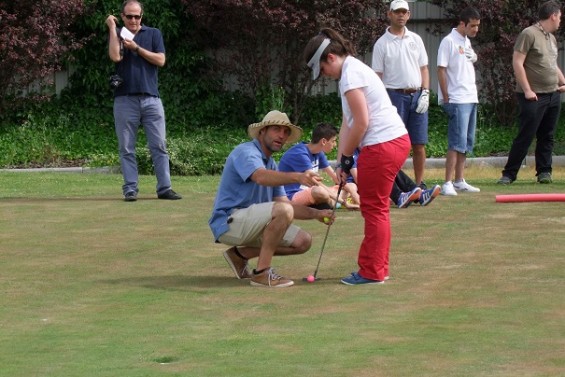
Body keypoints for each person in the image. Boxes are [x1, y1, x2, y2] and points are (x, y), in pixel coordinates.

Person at [303, 28, 411, 285]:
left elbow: (362, 122)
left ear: (330, 57)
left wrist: (349, 157)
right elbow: (347, 124)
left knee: (374, 209)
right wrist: (342, 163)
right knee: (378, 208)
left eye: (323, 69)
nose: (325, 76)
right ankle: (378, 269)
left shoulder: (351, 76)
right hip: (390, 142)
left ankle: (372, 272)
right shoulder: (351, 72)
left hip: (383, 144)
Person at [208, 110, 335, 288]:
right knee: (283, 211)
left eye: (285, 132)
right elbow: (260, 177)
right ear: (262, 131)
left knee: (303, 241)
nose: (281, 136)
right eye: (276, 129)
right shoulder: (246, 152)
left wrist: (317, 213)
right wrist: (298, 177)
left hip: (252, 223)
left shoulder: (272, 165)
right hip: (228, 223)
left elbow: (286, 204)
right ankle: (262, 273)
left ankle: (239, 255)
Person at [106, 0, 181, 202]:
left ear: (142, 16)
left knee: (159, 145)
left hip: (151, 99)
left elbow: (161, 60)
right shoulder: (120, 34)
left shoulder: (153, 33)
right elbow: (115, 56)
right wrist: (113, 28)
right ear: (122, 16)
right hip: (124, 99)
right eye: (128, 16)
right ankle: (130, 189)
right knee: (126, 147)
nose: (133, 20)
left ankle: (165, 188)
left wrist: (137, 48)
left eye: (136, 16)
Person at [498, 1, 565, 185]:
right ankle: (509, 174)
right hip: (534, 96)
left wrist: (563, 82)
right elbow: (517, 62)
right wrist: (527, 90)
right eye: (560, 16)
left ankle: (544, 172)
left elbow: (552, 64)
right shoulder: (529, 34)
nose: (560, 20)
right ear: (553, 15)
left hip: (553, 94)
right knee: (526, 135)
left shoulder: (550, 38)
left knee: (547, 135)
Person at [372, 0, 430, 189]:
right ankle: (395, 186)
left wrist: (426, 92)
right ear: (390, 14)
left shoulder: (416, 39)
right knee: (395, 144)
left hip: (417, 95)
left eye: (404, 12)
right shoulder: (382, 43)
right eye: (397, 12)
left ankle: (419, 184)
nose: (401, 15)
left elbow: (424, 68)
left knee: (419, 143)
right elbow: (377, 76)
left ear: (409, 14)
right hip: (393, 96)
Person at [437, 7, 481, 196]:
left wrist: (475, 57)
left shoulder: (466, 41)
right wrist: (446, 97)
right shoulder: (448, 41)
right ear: (462, 24)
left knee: (466, 142)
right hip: (457, 98)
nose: (476, 29)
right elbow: (441, 69)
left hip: (471, 97)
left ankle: (459, 180)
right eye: (472, 25)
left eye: (478, 26)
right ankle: (447, 182)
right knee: (456, 142)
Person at [278, 122, 359, 210]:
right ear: (323, 141)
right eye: (333, 141)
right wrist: (344, 202)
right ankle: (336, 202)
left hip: (310, 191)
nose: (335, 145)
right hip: (292, 195)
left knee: (351, 186)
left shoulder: (318, 152)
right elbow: (316, 184)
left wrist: (354, 194)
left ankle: (331, 202)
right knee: (320, 191)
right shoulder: (300, 154)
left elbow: (335, 177)